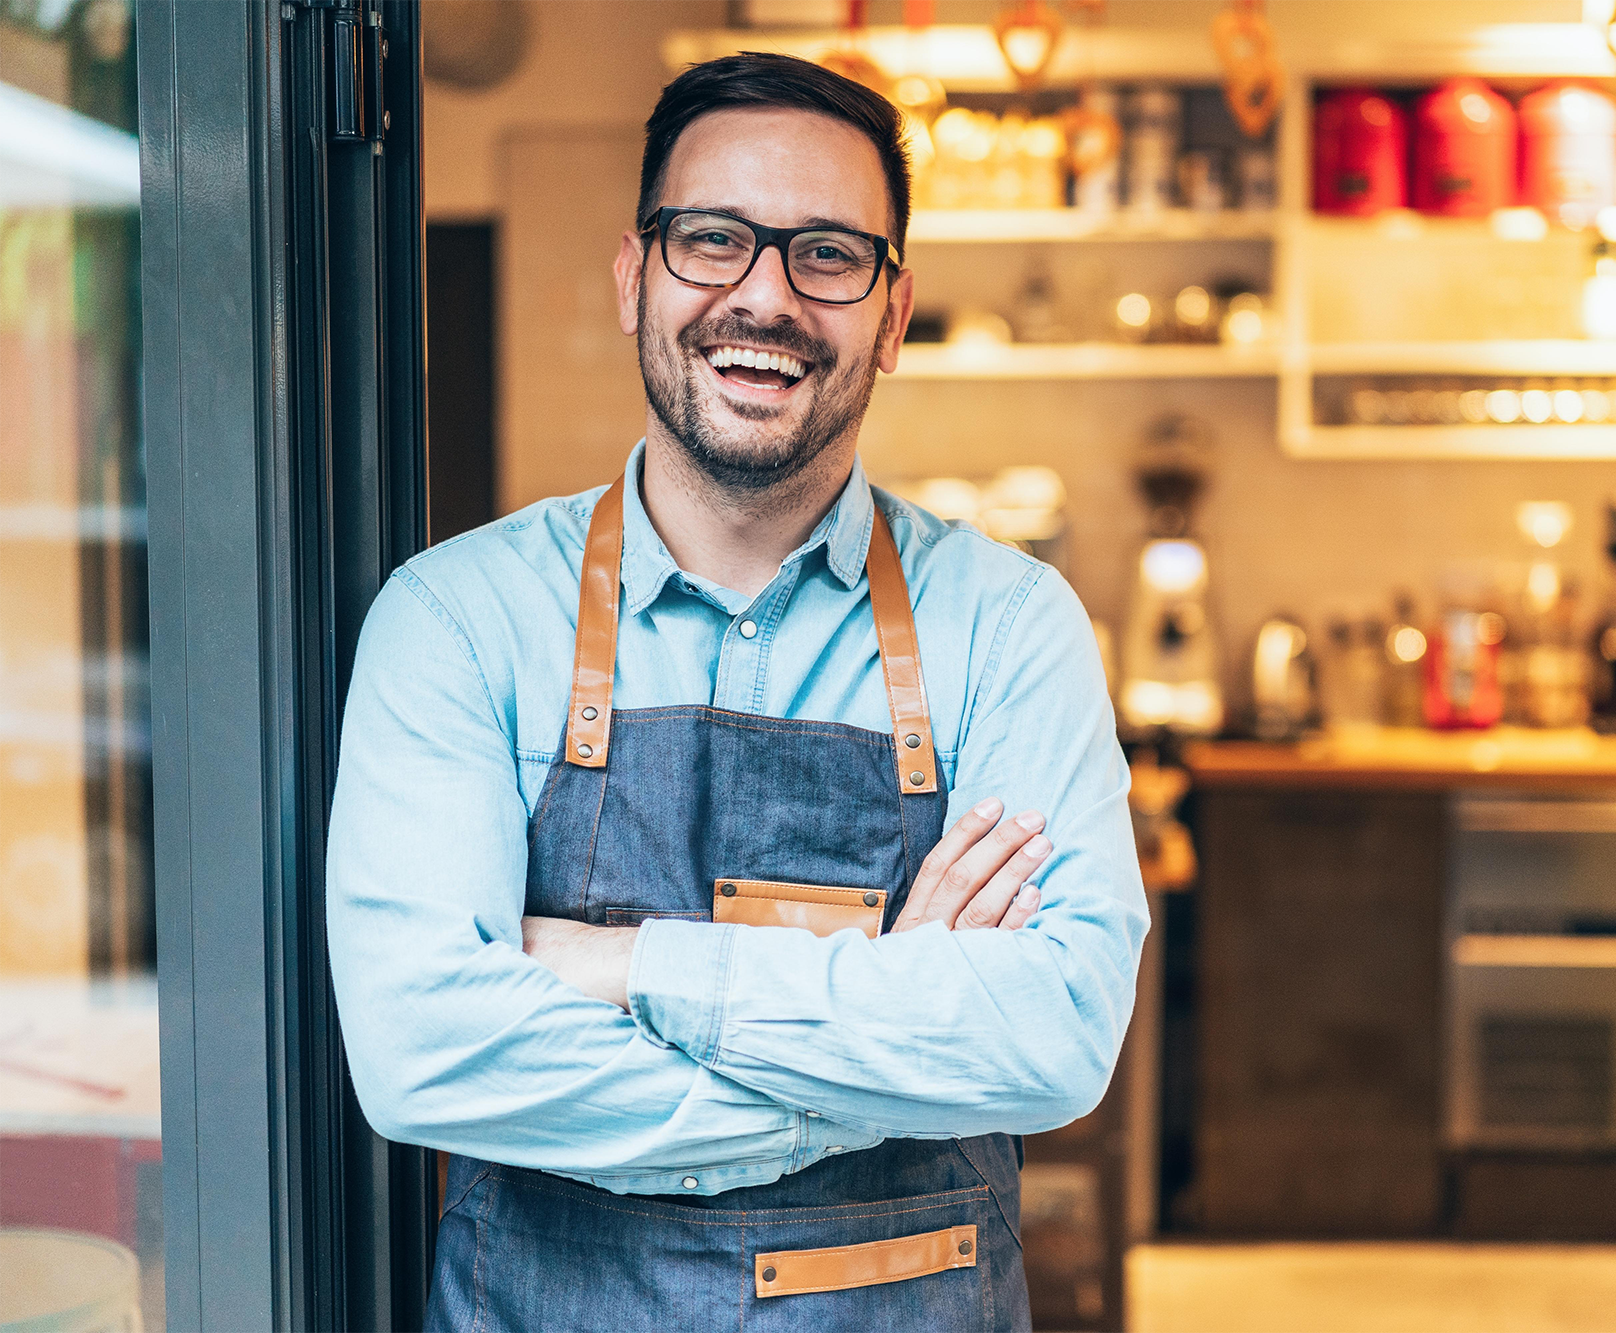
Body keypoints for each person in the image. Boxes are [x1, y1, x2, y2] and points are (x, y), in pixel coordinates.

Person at [325, 51, 1147, 1331]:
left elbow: (1053, 1036)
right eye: (711, 239)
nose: (761, 296)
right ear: (632, 277)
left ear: (892, 313)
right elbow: (422, 1051)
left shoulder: (1009, 624)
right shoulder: (458, 617)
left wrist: (626, 963)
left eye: (827, 253)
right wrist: (875, 1056)